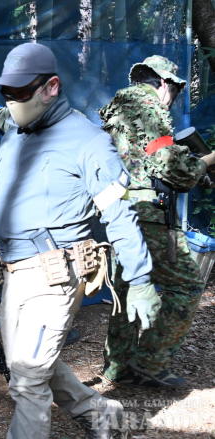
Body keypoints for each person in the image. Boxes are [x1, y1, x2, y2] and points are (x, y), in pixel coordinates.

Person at [0, 43, 157, 438]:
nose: (12, 101)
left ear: (51, 87)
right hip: (13, 269)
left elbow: (119, 215)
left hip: (55, 273)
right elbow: (1, 121)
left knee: (27, 378)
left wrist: (140, 280)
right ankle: (102, 415)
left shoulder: (88, 142)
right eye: (6, 92)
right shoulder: (17, 127)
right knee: (25, 362)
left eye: (21, 92)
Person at [99, 55, 215, 387]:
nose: (173, 98)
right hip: (149, 215)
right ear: (164, 83)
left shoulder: (117, 109)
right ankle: (150, 362)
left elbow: (144, 159)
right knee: (187, 285)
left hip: (119, 213)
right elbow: (173, 168)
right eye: (175, 91)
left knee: (126, 287)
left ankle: (117, 366)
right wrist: (207, 161)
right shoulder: (149, 109)